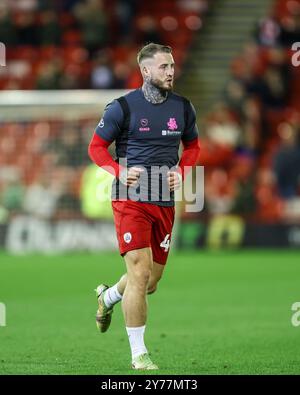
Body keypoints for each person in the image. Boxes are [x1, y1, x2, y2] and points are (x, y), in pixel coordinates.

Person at [88, 43, 200, 370]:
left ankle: (107, 297)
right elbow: (96, 148)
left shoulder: (183, 107)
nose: (170, 72)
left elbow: (193, 146)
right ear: (146, 71)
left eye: (172, 65)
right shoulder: (121, 107)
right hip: (129, 198)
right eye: (164, 66)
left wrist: (183, 170)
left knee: (149, 282)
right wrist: (120, 171)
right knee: (139, 271)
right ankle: (139, 354)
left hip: (163, 202)